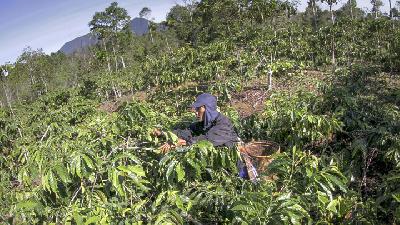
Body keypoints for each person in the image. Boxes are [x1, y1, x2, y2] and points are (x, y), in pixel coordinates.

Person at [158, 93, 239, 153]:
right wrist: (163, 133)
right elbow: (187, 132)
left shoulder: (223, 123)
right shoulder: (203, 123)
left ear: (207, 109)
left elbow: (207, 140)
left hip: (233, 166)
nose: (196, 112)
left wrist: (183, 142)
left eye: (198, 109)